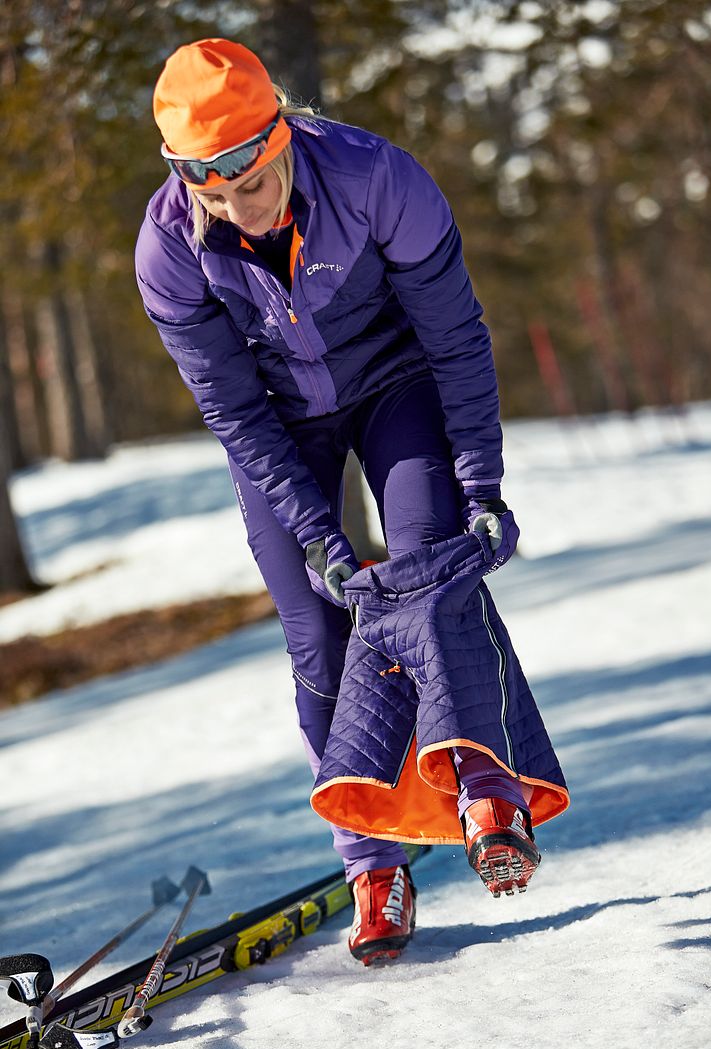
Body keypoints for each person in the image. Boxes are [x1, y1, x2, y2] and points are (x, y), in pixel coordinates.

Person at [136, 39, 569, 967]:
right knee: (317, 632)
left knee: (426, 571)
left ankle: (487, 791)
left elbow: (456, 339)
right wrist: (317, 533)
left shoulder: (379, 179)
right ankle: (374, 861)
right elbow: (234, 411)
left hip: (394, 385)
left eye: (255, 181)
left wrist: (481, 482)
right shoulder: (169, 250)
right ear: (185, 176)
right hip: (280, 431)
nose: (244, 208)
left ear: (281, 131)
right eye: (217, 193)